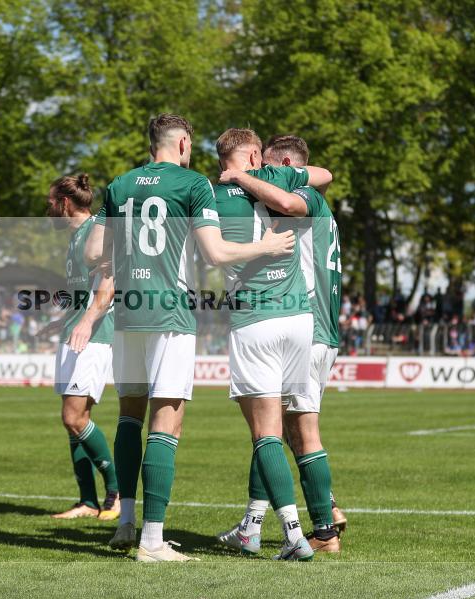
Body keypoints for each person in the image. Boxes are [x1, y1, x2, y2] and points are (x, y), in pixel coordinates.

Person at [99, 113, 296, 562]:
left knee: (129, 416)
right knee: (166, 420)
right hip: (169, 311)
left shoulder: (118, 184)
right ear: (184, 143)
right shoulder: (192, 185)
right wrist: (265, 247)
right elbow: (214, 252)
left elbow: (96, 251)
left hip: (127, 312)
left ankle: (124, 524)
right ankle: (152, 541)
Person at [215, 133, 344, 556]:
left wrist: (239, 174)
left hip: (306, 322)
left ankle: (324, 528)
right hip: (315, 324)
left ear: (286, 163)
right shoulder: (309, 196)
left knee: (294, 429)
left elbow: (289, 198)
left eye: (275, 168)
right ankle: (256, 522)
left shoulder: (300, 195)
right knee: (280, 425)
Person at [45, 173, 120, 522]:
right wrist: (65, 320)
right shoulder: (76, 237)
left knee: (74, 417)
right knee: (73, 422)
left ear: (63, 203)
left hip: (94, 334)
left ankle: (116, 492)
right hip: (75, 330)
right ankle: (88, 501)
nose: (48, 208)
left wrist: (87, 322)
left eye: (50, 202)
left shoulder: (97, 231)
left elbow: (110, 283)